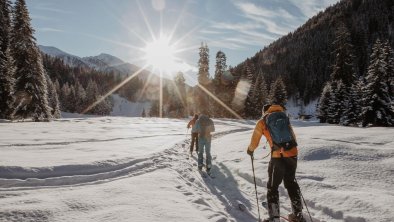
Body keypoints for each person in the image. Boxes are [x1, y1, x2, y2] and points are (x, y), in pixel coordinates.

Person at [247, 104, 306, 222]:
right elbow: (292, 136)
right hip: (292, 154)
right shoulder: (284, 117)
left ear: (264, 111)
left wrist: (250, 150)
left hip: (278, 157)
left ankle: (274, 218)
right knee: (291, 183)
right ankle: (298, 215)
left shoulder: (263, 121)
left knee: (272, 187)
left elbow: (255, 140)